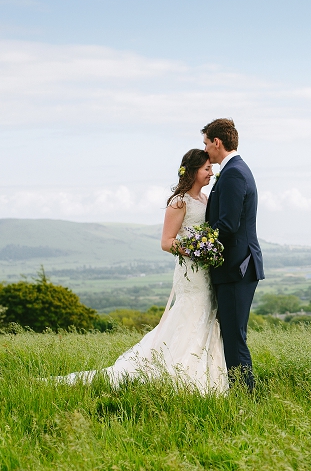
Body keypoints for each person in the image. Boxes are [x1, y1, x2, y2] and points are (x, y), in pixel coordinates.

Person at [53, 149, 228, 393]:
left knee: (206, 314)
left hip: (205, 271)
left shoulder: (205, 199)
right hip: (191, 271)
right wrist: (197, 250)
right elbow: (167, 242)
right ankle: (178, 370)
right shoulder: (179, 202)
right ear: (193, 171)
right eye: (207, 169)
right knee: (190, 313)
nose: (211, 172)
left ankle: (207, 371)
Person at [202, 118, 264, 392]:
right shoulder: (232, 171)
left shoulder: (234, 173)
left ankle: (246, 394)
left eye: (206, 144)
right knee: (231, 333)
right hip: (234, 267)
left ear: (217, 142)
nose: (205, 151)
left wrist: (198, 243)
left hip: (237, 267)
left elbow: (227, 225)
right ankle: (239, 390)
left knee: (234, 335)